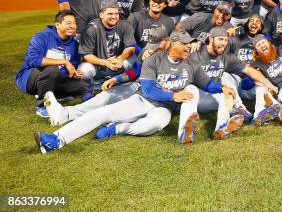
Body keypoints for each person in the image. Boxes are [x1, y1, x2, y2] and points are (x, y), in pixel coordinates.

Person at [33, 30, 222, 153]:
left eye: (190, 43)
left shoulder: (191, 63)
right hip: (143, 100)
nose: (190, 46)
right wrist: (173, 95)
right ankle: (57, 139)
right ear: (173, 44)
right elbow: (148, 90)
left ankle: (118, 128)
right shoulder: (153, 60)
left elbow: (206, 84)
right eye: (186, 43)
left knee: (153, 126)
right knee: (102, 113)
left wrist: (224, 88)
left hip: (165, 109)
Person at [190, 27, 279, 127]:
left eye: (225, 40)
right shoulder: (195, 53)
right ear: (211, 39)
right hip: (197, 97)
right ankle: (236, 109)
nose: (224, 43)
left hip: (218, 93)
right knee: (224, 79)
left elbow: (249, 70)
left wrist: (269, 84)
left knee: (255, 84)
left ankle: (258, 114)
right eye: (220, 39)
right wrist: (197, 41)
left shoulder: (226, 57)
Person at [16, 11, 84, 118]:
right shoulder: (41, 37)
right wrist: (64, 61)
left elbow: (72, 66)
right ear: (57, 25)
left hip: (54, 78)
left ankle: (54, 94)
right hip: (29, 78)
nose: (72, 26)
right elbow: (33, 60)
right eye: (68, 23)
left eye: (74, 23)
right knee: (52, 69)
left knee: (81, 86)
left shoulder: (74, 45)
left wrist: (74, 73)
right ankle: (42, 106)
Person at [78, 0, 138, 101]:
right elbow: (86, 55)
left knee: (135, 59)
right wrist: (105, 62)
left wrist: (120, 59)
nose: (114, 16)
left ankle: (120, 81)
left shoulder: (125, 25)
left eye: (116, 13)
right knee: (85, 68)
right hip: (98, 66)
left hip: (116, 64)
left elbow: (131, 47)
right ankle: (88, 88)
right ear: (101, 14)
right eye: (110, 13)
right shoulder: (91, 28)